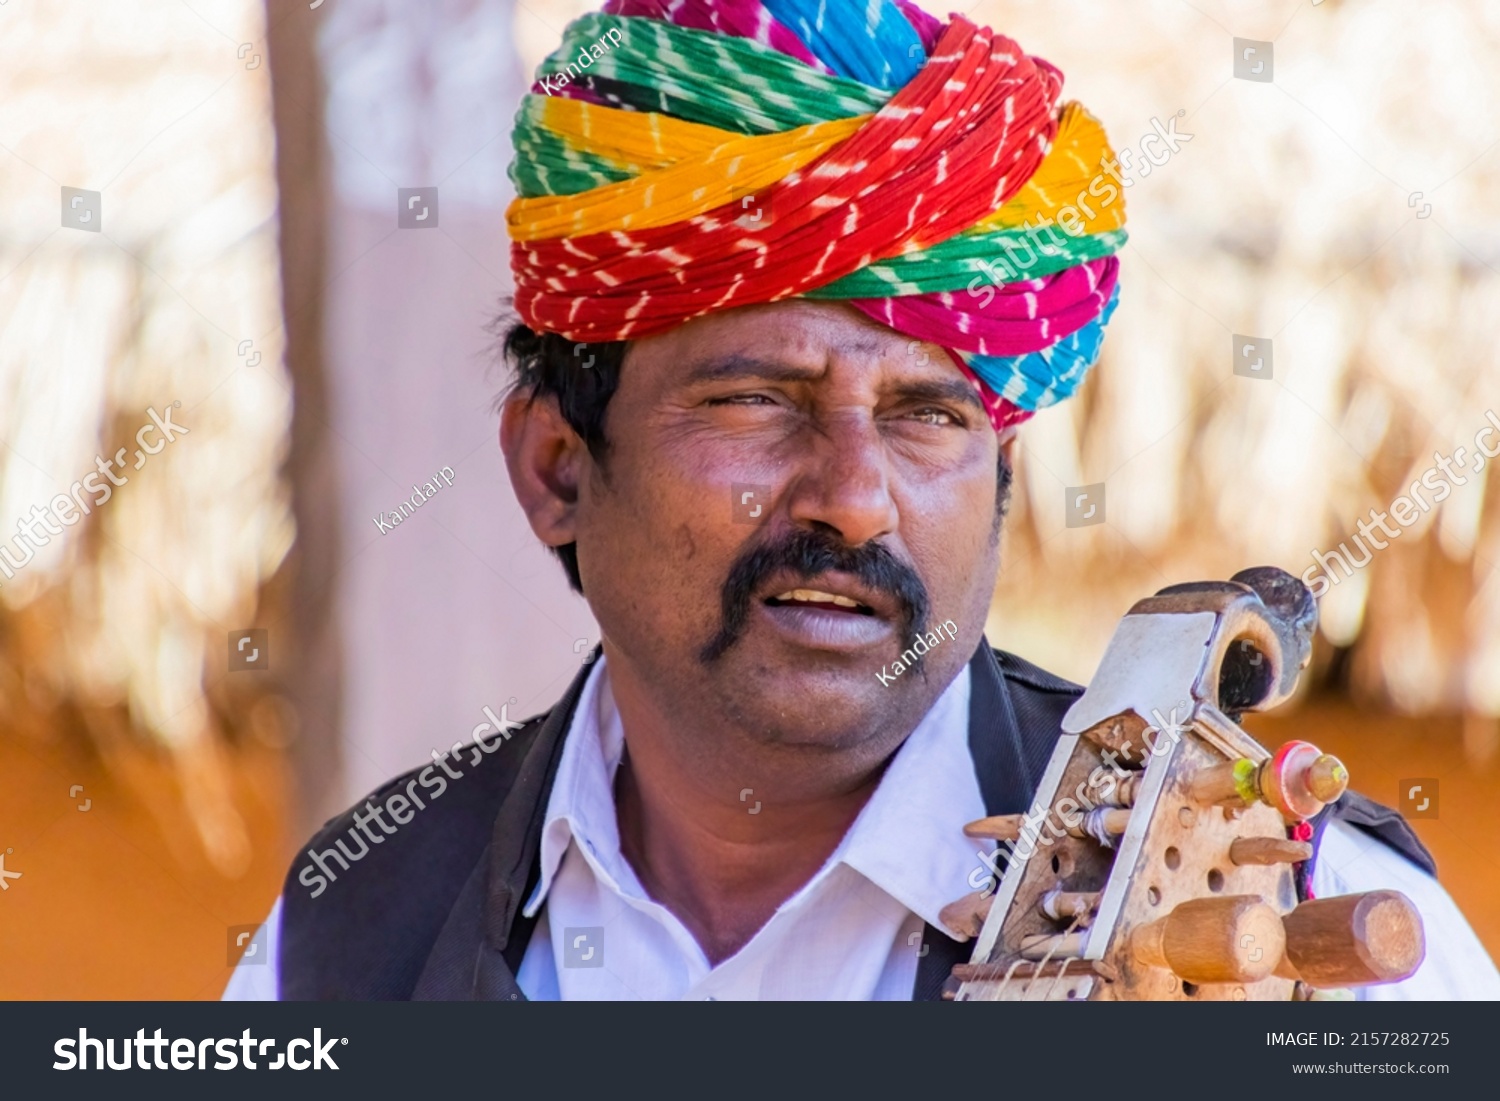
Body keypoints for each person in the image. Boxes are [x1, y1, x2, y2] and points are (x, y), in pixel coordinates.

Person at [226, 0, 1498, 1001]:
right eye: (753, 400)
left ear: (1001, 482)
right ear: (558, 469)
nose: (853, 501)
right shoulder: (343, 944)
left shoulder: (1308, 926)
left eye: (928, 419)